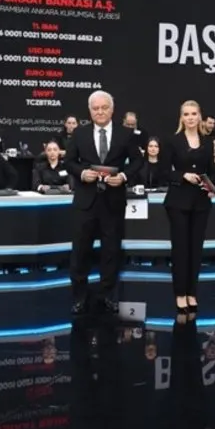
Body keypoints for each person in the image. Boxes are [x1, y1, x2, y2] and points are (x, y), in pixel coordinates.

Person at [64, 90, 143, 315]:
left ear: (112, 109)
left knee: (111, 250)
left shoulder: (126, 134)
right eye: (95, 108)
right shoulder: (79, 133)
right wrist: (82, 173)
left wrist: (124, 176)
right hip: (85, 201)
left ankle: (108, 294)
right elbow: (69, 161)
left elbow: (138, 161)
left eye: (104, 108)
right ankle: (79, 297)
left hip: (113, 201)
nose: (100, 112)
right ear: (90, 111)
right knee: (80, 251)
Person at [162, 100, 215, 315]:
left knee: (196, 249)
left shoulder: (208, 142)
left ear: (199, 116)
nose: (190, 117)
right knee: (181, 249)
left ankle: (192, 291)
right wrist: (182, 175)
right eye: (186, 114)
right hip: (178, 201)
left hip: (201, 202)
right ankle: (180, 293)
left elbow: (212, 170)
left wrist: (212, 187)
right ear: (181, 117)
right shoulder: (172, 141)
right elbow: (164, 171)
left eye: (194, 113)